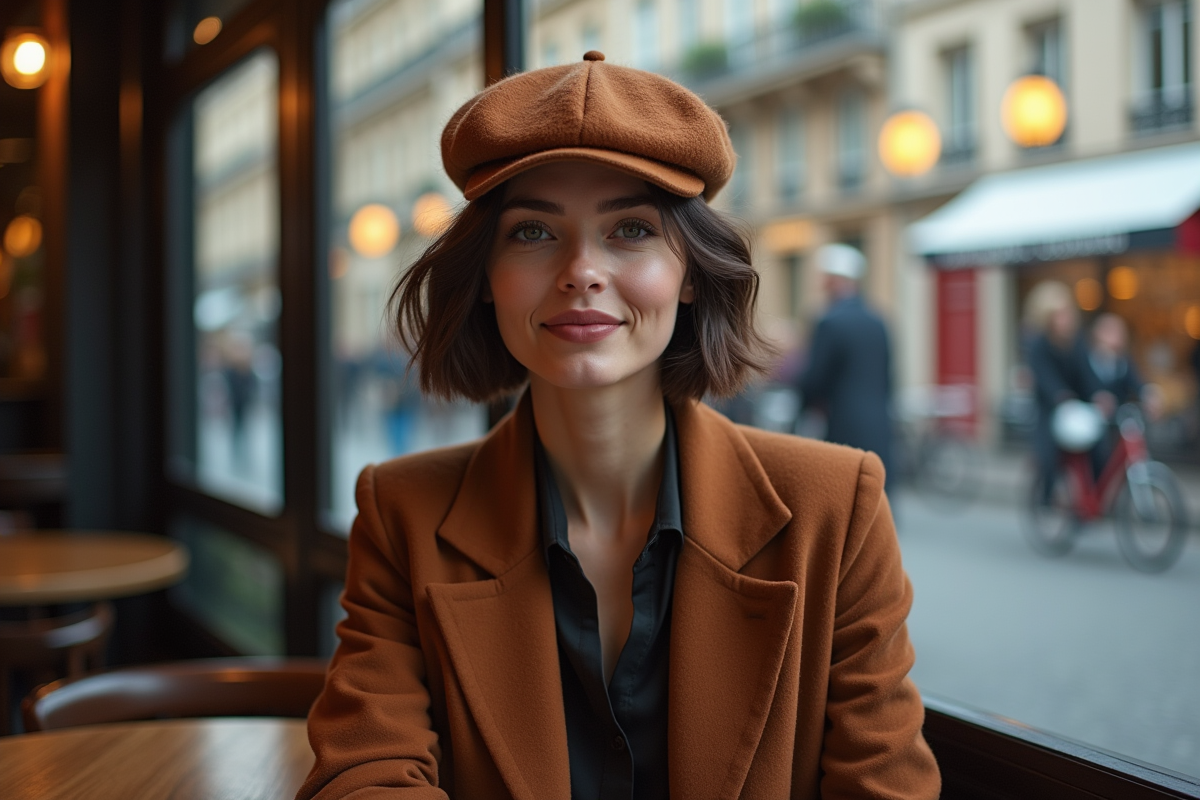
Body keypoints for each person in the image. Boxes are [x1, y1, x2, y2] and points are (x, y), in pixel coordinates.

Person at [299, 52, 939, 800]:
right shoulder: (400, 512)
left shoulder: (838, 507)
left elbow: (883, 785)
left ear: (691, 273)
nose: (581, 270)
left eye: (630, 229)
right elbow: (364, 774)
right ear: (485, 280)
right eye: (533, 233)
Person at [796, 243, 894, 487]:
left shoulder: (830, 322)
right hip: (880, 427)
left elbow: (814, 380)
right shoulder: (879, 320)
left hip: (842, 428)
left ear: (833, 280)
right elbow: (889, 377)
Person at [1024, 281, 1102, 498]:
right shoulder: (1038, 345)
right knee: (1048, 456)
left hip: (1078, 407)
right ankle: (1046, 496)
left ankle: (1093, 497)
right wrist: (1060, 396)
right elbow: (1044, 377)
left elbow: (1088, 374)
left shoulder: (1077, 342)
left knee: (1101, 447)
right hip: (1050, 409)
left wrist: (1098, 395)